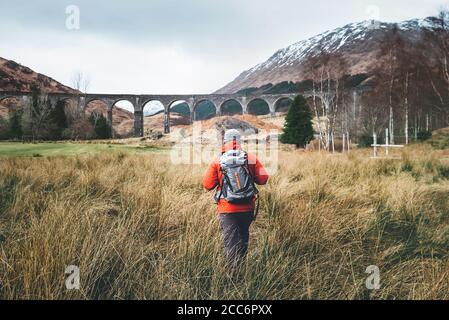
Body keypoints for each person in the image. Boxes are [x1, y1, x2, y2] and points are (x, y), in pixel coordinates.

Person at [202, 129, 269, 271]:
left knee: (231, 241)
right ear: (239, 141)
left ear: (225, 142)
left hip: (227, 209)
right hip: (247, 207)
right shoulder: (251, 158)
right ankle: (242, 269)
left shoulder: (217, 160)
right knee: (243, 237)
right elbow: (263, 179)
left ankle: (233, 277)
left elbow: (207, 185)